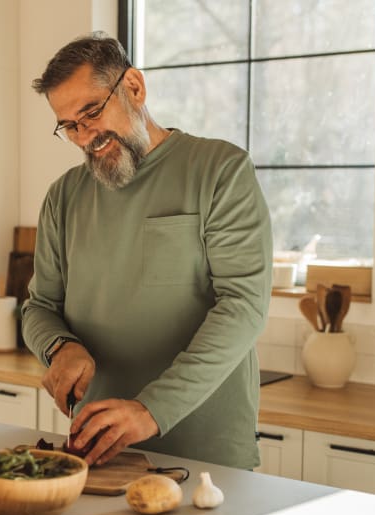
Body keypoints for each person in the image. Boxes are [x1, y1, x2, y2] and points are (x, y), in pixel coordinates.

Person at [21, 32, 272, 470]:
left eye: (92, 112)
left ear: (134, 87)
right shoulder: (64, 196)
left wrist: (151, 410)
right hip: (99, 451)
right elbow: (39, 307)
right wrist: (60, 346)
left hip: (207, 452)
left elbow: (244, 307)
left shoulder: (220, 171)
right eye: (70, 126)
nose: (85, 137)